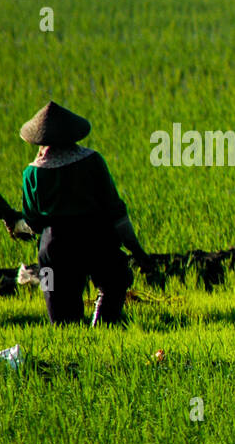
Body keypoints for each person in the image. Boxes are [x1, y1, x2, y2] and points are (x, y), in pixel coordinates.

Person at [18, 101, 149, 326]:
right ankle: (103, 322)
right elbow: (115, 208)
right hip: (96, 237)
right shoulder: (92, 160)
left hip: (53, 246)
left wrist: (19, 226)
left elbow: (33, 221)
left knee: (54, 297)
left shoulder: (32, 173)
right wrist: (135, 248)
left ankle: (70, 339)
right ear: (73, 136)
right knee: (115, 279)